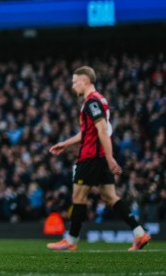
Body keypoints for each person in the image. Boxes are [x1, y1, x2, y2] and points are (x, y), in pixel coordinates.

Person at [47, 66, 151, 252]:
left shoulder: (92, 102)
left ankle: (70, 240)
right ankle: (139, 233)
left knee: (78, 196)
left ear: (85, 81)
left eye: (75, 82)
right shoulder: (98, 100)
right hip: (99, 155)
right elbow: (89, 131)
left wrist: (110, 158)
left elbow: (102, 129)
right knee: (110, 196)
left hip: (91, 156)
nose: (72, 86)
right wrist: (65, 144)